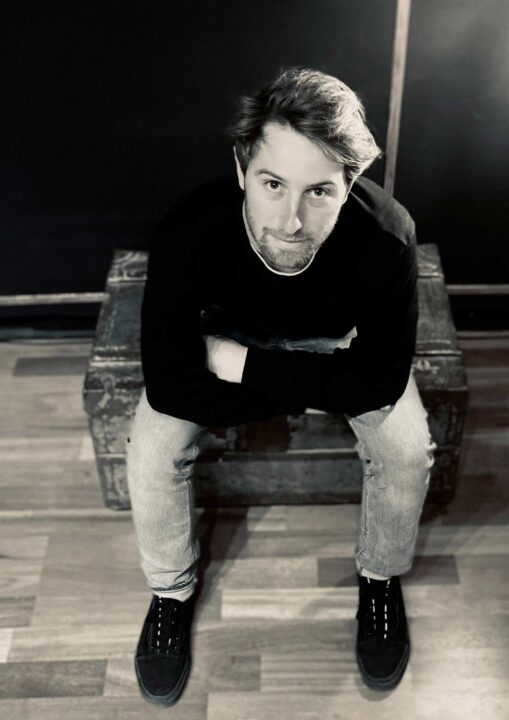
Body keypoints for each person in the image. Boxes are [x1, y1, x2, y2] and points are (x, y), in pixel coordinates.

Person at [126, 67, 437, 706]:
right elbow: (171, 388)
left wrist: (243, 366)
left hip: (300, 347)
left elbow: (379, 382)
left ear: (351, 182)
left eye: (320, 191)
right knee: (151, 450)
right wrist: (330, 388)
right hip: (240, 339)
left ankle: (380, 580)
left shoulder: (388, 236)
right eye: (273, 184)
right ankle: (170, 592)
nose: (292, 221)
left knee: (407, 449)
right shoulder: (188, 230)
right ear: (242, 169)